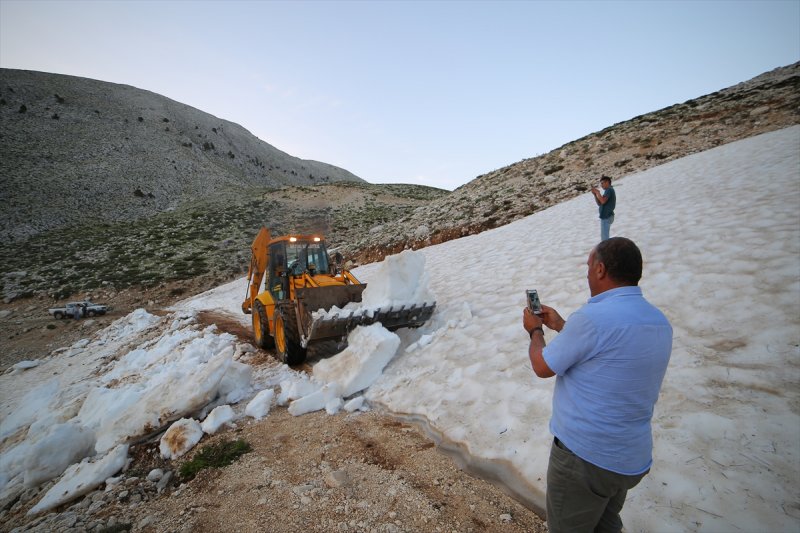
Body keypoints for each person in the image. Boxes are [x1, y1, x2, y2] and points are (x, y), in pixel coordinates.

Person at [522, 237, 672, 533]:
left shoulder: (592, 319)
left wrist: (535, 330)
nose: (587, 273)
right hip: (628, 456)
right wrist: (562, 326)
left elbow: (542, 366)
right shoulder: (658, 320)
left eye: (589, 267)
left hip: (586, 458)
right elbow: (610, 356)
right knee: (604, 523)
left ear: (601, 269)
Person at [591, 176, 616, 241]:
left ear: (607, 182)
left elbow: (602, 201)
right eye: (601, 183)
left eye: (602, 183)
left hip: (606, 216)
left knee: (604, 239)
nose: (601, 185)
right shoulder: (608, 190)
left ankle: (608, 250)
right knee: (605, 237)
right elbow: (599, 203)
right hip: (606, 216)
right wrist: (595, 195)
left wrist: (598, 192)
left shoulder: (609, 190)